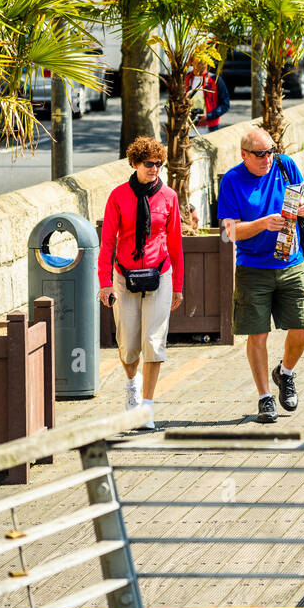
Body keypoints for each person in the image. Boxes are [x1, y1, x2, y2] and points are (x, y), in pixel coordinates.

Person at [217, 127, 304, 424]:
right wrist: (261, 224)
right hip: (253, 268)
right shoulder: (232, 180)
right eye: (260, 154)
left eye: (270, 151)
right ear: (244, 154)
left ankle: (284, 373)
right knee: (257, 335)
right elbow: (229, 232)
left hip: (291, 261)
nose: (267, 158)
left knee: (301, 328)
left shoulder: (285, 165)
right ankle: (264, 398)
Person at [98, 136, 184, 430]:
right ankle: (131, 385)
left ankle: (146, 407)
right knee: (128, 344)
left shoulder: (169, 197)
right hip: (124, 276)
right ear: (135, 163)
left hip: (160, 276)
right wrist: (105, 282)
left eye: (159, 164)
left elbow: (175, 243)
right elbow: (107, 240)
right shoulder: (118, 196)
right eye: (149, 164)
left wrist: (179, 285)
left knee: (153, 342)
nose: (155, 169)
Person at [188, 59, 231, 133]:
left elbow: (225, 105)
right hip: (187, 130)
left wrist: (209, 116)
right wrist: (183, 113)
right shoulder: (185, 79)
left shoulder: (215, 80)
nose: (200, 61)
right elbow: (168, 102)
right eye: (197, 57)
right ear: (192, 61)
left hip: (210, 129)